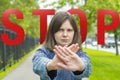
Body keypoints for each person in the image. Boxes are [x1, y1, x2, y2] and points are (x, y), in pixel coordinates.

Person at [32, 11, 91, 80]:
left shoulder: (80, 54)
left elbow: (87, 67)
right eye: (60, 30)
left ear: (74, 33)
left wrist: (81, 67)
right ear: (52, 32)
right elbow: (38, 64)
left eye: (69, 30)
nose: (65, 34)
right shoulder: (43, 52)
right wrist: (50, 65)